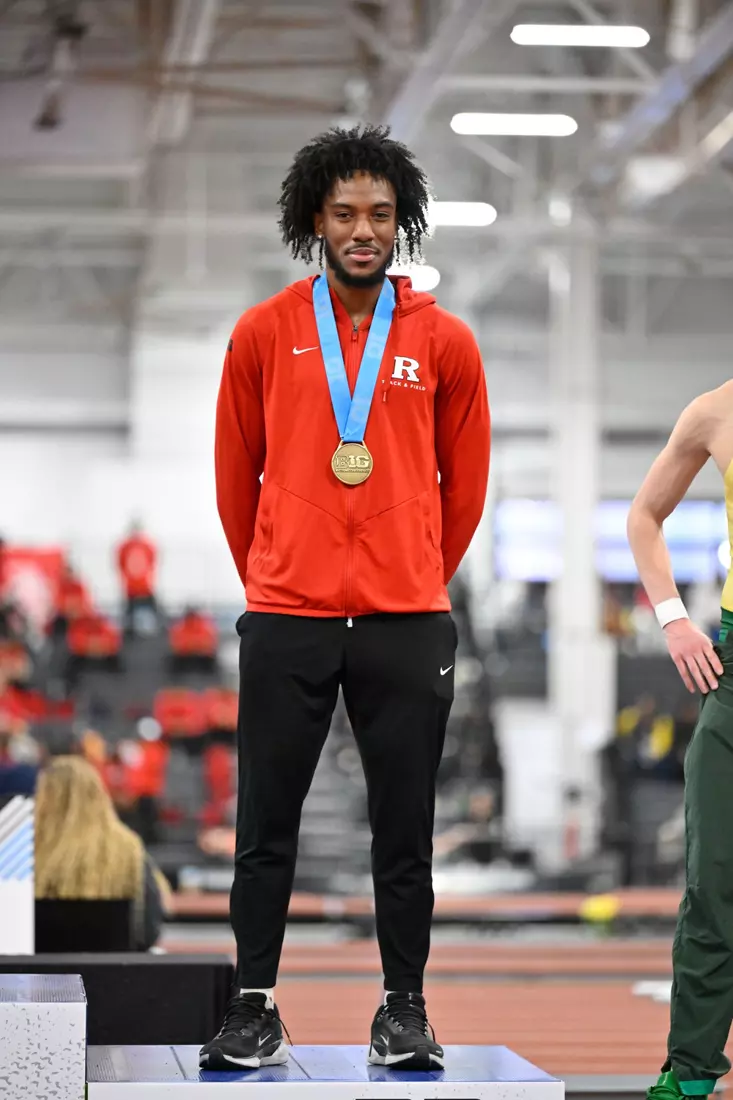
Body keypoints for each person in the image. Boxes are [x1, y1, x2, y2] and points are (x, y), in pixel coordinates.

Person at [201, 124, 491, 1073]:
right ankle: (253, 1005)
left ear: (400, 221)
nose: (362, 230)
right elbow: (233, 473)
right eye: (343, 214)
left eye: (378, 214)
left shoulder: (444, 342)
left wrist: (412, 570)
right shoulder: (264, 332)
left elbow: (467, 482)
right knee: (264, 824)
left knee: (403, 826)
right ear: (313, 221)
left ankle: (402, 1008)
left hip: (407, 620)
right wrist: (278, 573)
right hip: (287, 613)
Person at [626, 381, 731, 1100]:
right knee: (711, 884)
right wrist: (671, 616)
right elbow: (643, 516)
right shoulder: (715, 410)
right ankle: (689, 1074)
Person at [34, 755, 169, 951]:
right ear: (99, 794)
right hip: (117, 976)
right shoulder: (128, 849)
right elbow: (148, 931)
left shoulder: (24, 850)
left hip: (39, 977)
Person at [116, 522, 158, 637]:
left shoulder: (143, 545)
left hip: (143, 587)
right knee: (130, 614)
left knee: (150, 612)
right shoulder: (129, 546)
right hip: (133, 588)